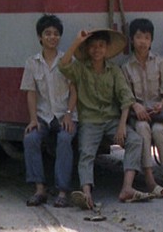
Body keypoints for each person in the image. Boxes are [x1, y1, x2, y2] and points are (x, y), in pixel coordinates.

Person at [58, 29, 151, 210]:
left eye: (101, 46)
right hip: (90, 120)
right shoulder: (80, 68)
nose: (97, 50)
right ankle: (86, 192)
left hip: (112, 120)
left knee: (135, 140)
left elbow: (126, 98)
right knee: (86, 152)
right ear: (87, 49)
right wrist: (77, 42)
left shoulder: (114, 70)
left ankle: (127, 187)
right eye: (92, 46)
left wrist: (122, 126)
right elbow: (63, 66)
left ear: (107, 49)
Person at [21, 15, 77, 208]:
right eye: (48, 33)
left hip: (65, 115)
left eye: (56, 34)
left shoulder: (67, 60)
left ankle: (62, 191)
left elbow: (74, 90)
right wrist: (33, 119)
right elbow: (30, 93)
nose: (52, 37)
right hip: (43, 116)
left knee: (64, 138)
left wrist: (69, 114)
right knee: (31, 139)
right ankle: (40, 189)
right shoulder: (32, 62)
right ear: (40, 37)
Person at [122, 18, 163, 197]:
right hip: (137, 116)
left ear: (151, 40)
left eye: (147, 38)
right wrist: (136, 105)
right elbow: (125, 95)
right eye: (139, 37)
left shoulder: (160, 63)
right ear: (132, 39)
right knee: (142, 128)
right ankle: (150, 181)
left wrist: (161, 104)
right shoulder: (125, 67)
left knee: (159, 131)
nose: (143, 42)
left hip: (159, 114)